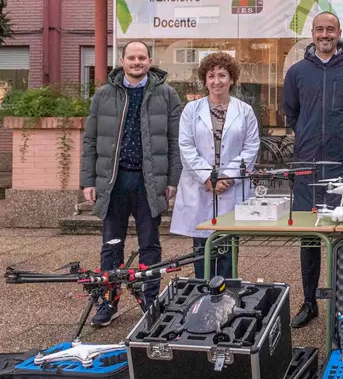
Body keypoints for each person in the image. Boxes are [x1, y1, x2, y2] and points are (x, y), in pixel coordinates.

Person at [283, 12, 343, 328]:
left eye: (330, 29)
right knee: (309, 236)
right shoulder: (297, 73)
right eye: (319, 29)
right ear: (312, 33)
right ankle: (309, 302)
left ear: (340, 32)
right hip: (308, 166)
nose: (325, 34)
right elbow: (292, 114)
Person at [80, 41, 182, 327]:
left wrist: (173, 179)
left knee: (150, 243)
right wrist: (88, 180)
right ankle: (107, 303)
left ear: (150, 61)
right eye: (131, 58)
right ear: (122, 61)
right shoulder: (103, 96)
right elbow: (90, 140)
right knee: (111, 244)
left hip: (149, 180)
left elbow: (175, 142)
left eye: (142, 58)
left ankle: (151, 302)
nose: (137, 62)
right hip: (114, 180)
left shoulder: (167, 95)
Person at [171, 52, 260, 280]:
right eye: (211, 76)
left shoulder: (245, 111)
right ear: (205, 80)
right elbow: (186, 147)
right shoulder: (191, 111)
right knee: (202, 250)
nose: (217, 81)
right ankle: (202, 296)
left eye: (222, 75)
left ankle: (227, 297)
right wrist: (208, 178)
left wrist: (227, 176)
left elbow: (250, 148)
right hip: (201, 188)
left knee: (228, 247)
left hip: (230, 188)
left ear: (232, 79)